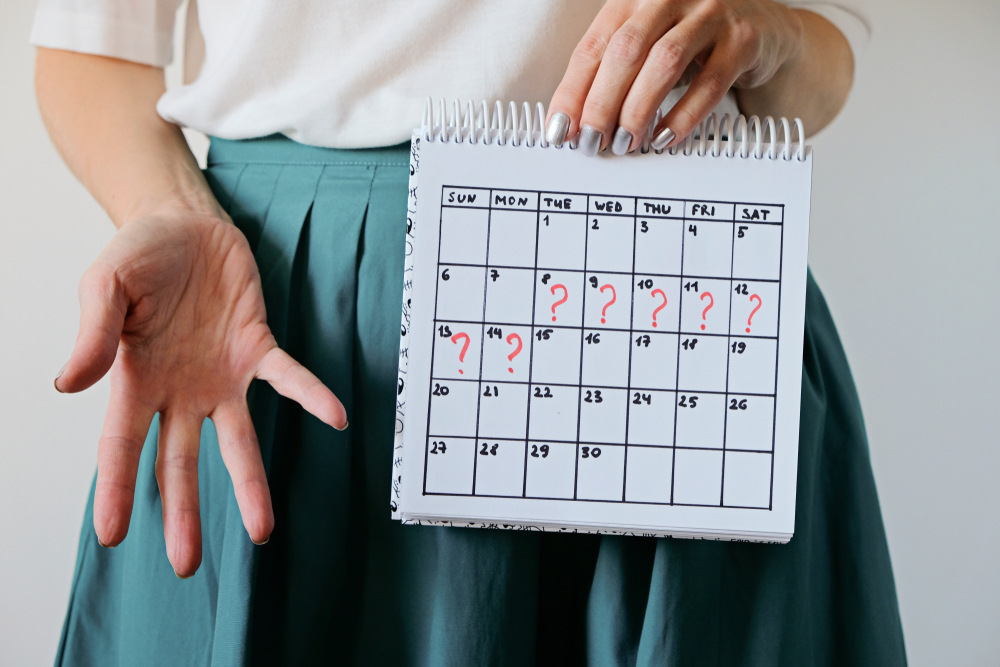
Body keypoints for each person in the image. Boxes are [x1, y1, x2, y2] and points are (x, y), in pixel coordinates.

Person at [31, 0, 906, 664]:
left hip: (678, 299)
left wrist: (761, 28)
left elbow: (823, 55)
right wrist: (167, 208)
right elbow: (87, 46)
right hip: (286, 313)